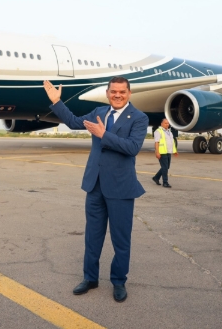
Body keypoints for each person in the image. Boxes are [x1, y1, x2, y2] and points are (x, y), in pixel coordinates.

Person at [43, 76, 148, 302]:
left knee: (121, 240)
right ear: (108, 93)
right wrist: (57, 102)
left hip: (121, 188)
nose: (117, 95)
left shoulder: (139, 118)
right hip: (95, 185)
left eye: (122, 92)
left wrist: (104, 135)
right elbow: (72, 122)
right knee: (92, 236)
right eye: (113, 92)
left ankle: (119, 281)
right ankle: (90, 278)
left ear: (129, 93)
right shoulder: (99, 112)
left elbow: (133, 148)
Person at [152, 118, 178, 188]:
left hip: (168, 152)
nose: (167, 124)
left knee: (166, 167)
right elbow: (156, 142)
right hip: (162, 152)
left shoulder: (169, 132)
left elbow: (172, 142)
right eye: (165, 123)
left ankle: (156, 177)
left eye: (168, 123)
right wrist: (157, 152)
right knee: (165, 167)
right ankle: (165, 182)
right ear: (161, 124)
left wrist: (174, 151)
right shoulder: (158, 131)